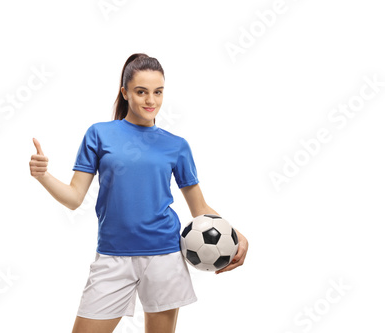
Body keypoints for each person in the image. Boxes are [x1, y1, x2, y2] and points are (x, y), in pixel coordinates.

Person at [29, 53, 249, 333]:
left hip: (165, 257)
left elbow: (199, 207)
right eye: (141, 92)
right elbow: (74, 198)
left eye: (158, 92)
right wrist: (43, 176)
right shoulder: (99, 135)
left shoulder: (176, 145)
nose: (151, 101)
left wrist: (236, 234)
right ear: (125, 92)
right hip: (113, 256)